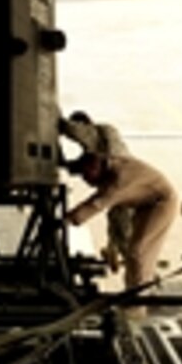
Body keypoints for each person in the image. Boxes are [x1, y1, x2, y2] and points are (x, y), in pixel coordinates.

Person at [65, 151, 177, 306]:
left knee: (139, 252)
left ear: (95, 168)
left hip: (161, 204)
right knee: (133, 252)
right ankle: (132, 293)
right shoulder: (108, 166)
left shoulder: (120, 178)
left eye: (86, 175)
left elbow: (99, 202)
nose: (86, 181)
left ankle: (138, 302)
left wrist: (68, 219)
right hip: (144, 205)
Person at [59, 110, 131, 272]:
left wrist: (53, 118)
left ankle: (136, 266)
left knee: (124, 227)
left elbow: (71, 130)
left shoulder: (99, 132)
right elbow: (79, 166)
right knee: (115, 220)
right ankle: (114, 250)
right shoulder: (101, 143)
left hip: (122, 185)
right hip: (124, 186)